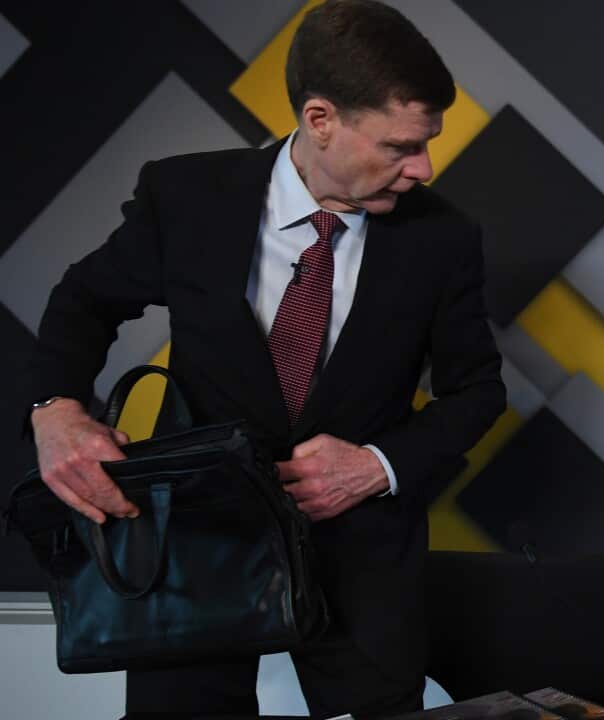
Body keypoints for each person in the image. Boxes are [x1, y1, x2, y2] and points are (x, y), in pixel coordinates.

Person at [23, 1, 505, 716]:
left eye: (427, 143)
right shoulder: (183, 196)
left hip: (364, 562)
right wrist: (55, 411)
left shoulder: (445, 238)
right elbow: (81, 302)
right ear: (320, 120)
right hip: (193, 545)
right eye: (402, 146)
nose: (423, 168)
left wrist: (377, 465)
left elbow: (477, 391)